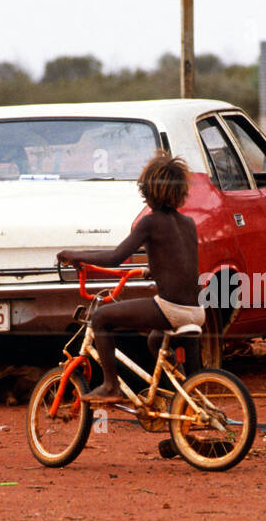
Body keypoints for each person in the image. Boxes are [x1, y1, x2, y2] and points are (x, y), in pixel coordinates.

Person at [57, 152, 203, 402]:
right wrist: (152, 270)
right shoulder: (188, 223)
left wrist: (77, 256)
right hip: (197, 311)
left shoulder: (150, 222)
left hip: (171, 309)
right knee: (155, 342)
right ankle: (187, 400)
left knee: (101, 317)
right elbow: (180, 264)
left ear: (148, 191)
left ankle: (111, 386)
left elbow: (116, 257)